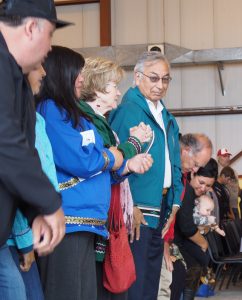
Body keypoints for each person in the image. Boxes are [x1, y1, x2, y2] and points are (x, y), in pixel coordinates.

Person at [36, 46, 153, 300]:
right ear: (61, 73)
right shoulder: (52, 110)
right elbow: (83, 160)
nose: (81, 77)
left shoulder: (74, 115)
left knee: (84, 293)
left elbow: (99, 166)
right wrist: (116, 155)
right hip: (68, 220)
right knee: (66, 293)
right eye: (77, 72)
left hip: (86, 220)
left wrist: (121, 165)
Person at [0, 1, 71, 299]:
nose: (50, 49)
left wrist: (36, 209)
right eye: (51, 35)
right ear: (31, 27)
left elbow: (21, 147)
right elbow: (4, 141)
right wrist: (48, 203)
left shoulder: (14, 77)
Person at [110, 51, 183, 300]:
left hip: (161, 206)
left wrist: (175, 201)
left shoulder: (166, 116)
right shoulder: (128, 111)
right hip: (138, 208)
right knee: (136, 280)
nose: (160, 85)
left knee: (151, 279)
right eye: (153, 78)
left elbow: (175, 163)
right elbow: (118, 160)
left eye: (165, 79)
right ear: (138, 76)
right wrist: (129, 205)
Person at [80, 56, 153, 299]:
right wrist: (133, 144)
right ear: (98, 89)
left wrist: (131, 164)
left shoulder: (102, 122)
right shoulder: (89, 122)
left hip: (106, 209)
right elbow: (108, 163)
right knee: (102, 282)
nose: (118, 92)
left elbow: (115, 164)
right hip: (97, 212)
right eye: (113, 86)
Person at [158, 133, 212, 300]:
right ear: (186, 151)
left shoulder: (180, 178)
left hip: (168, 239)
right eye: (195, 165)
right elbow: (185, 225)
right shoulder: (167, 171)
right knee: (178, 272)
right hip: (161, 238)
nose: (195, 170)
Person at [171, 158, 218, 300]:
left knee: (198, 264)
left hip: (182, 240)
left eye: (208, 186)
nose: (203, 188)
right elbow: (186, 226)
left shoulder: (195, 193)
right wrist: (203, 242)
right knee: (193, 266)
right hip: (174, 241)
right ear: (193, 174)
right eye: (201, 182)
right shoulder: (186, 190)